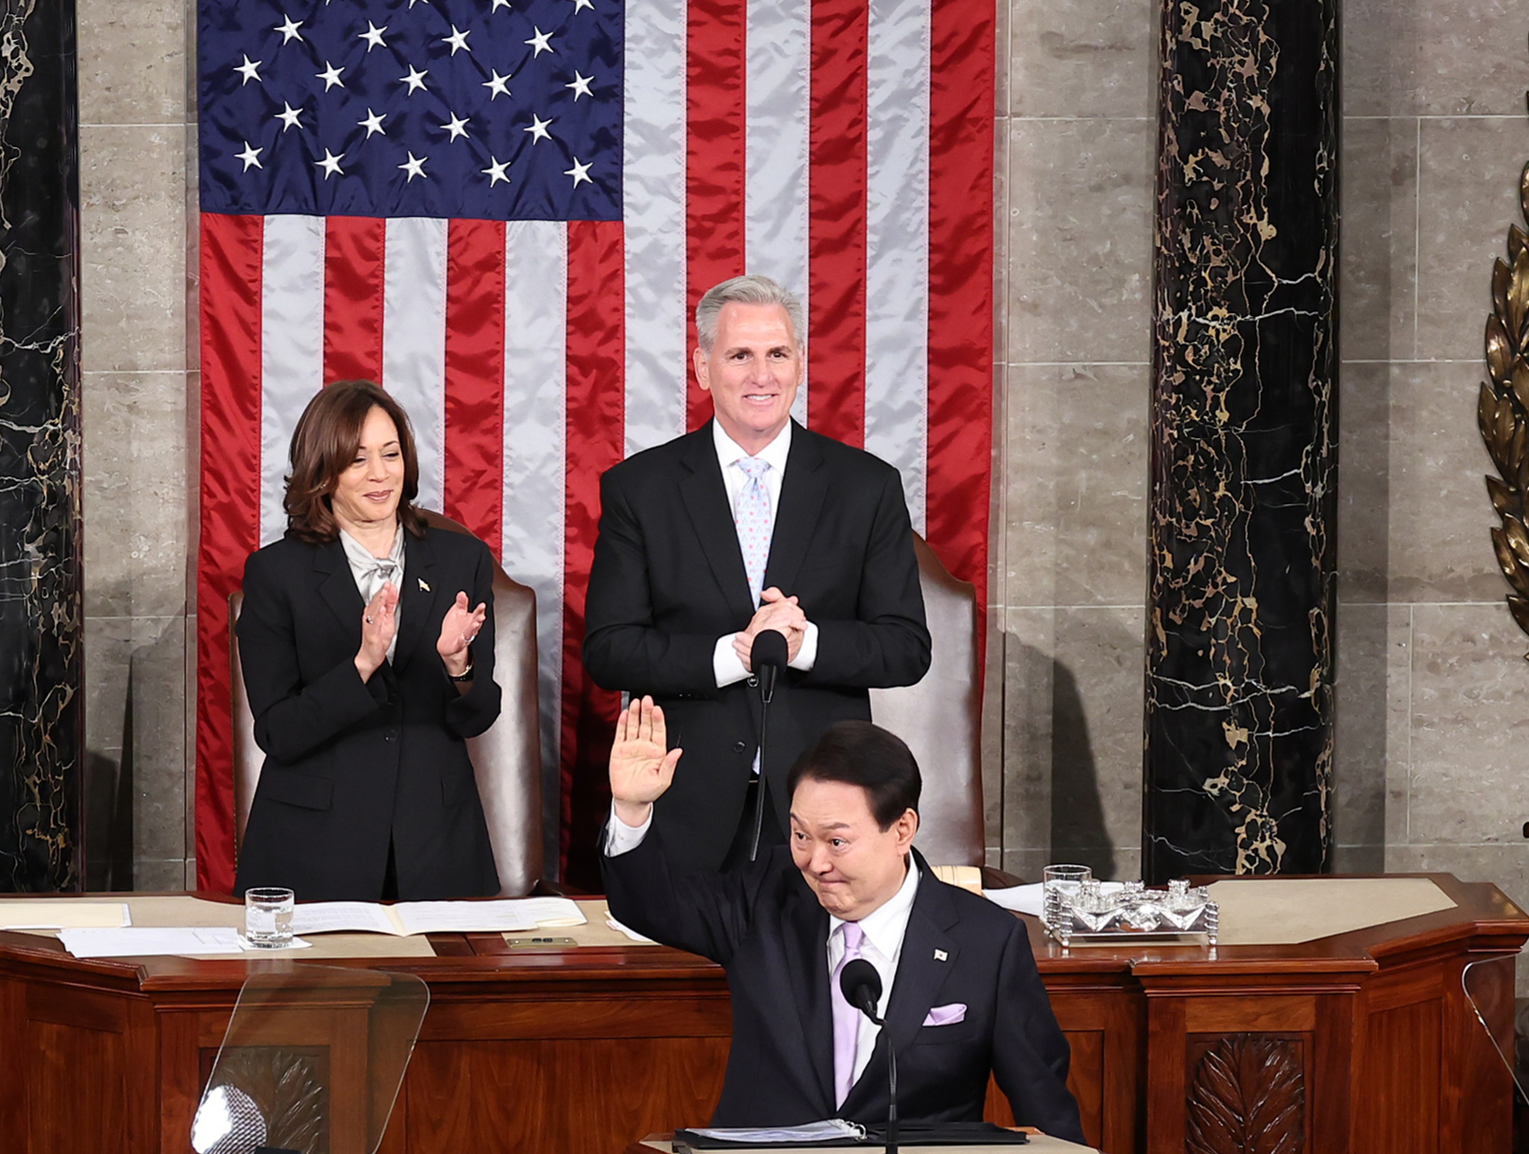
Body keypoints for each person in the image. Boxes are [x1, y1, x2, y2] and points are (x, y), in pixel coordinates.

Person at [601, 697, 1085, 1143]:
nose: (814, 862)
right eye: (799, 835)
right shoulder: (763, 897)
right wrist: (632, 807)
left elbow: (1045, 1109)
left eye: (836, 841)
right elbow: (648, 903)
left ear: (902, 829)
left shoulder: (987, 940)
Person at [583, 274, 932, 873]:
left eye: (778, 354)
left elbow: (905, 647)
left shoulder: (865, 487)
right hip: (686, 800)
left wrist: (803, 643)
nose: (761, 375)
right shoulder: (641, 489)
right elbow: (610, 649)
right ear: (702, 367)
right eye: (740, 355)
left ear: (801, 363)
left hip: (829, 810)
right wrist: (734, 656)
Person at [234, 379, 501, 901]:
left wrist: (457, 665)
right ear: (322, 471)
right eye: (357, 460)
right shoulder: (275, 573)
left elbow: (478, 716)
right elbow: (278, 732)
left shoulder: (459, 561)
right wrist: (361, 665)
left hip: (435, 845)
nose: (380, 474)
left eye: (391, 454)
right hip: (314, 848)